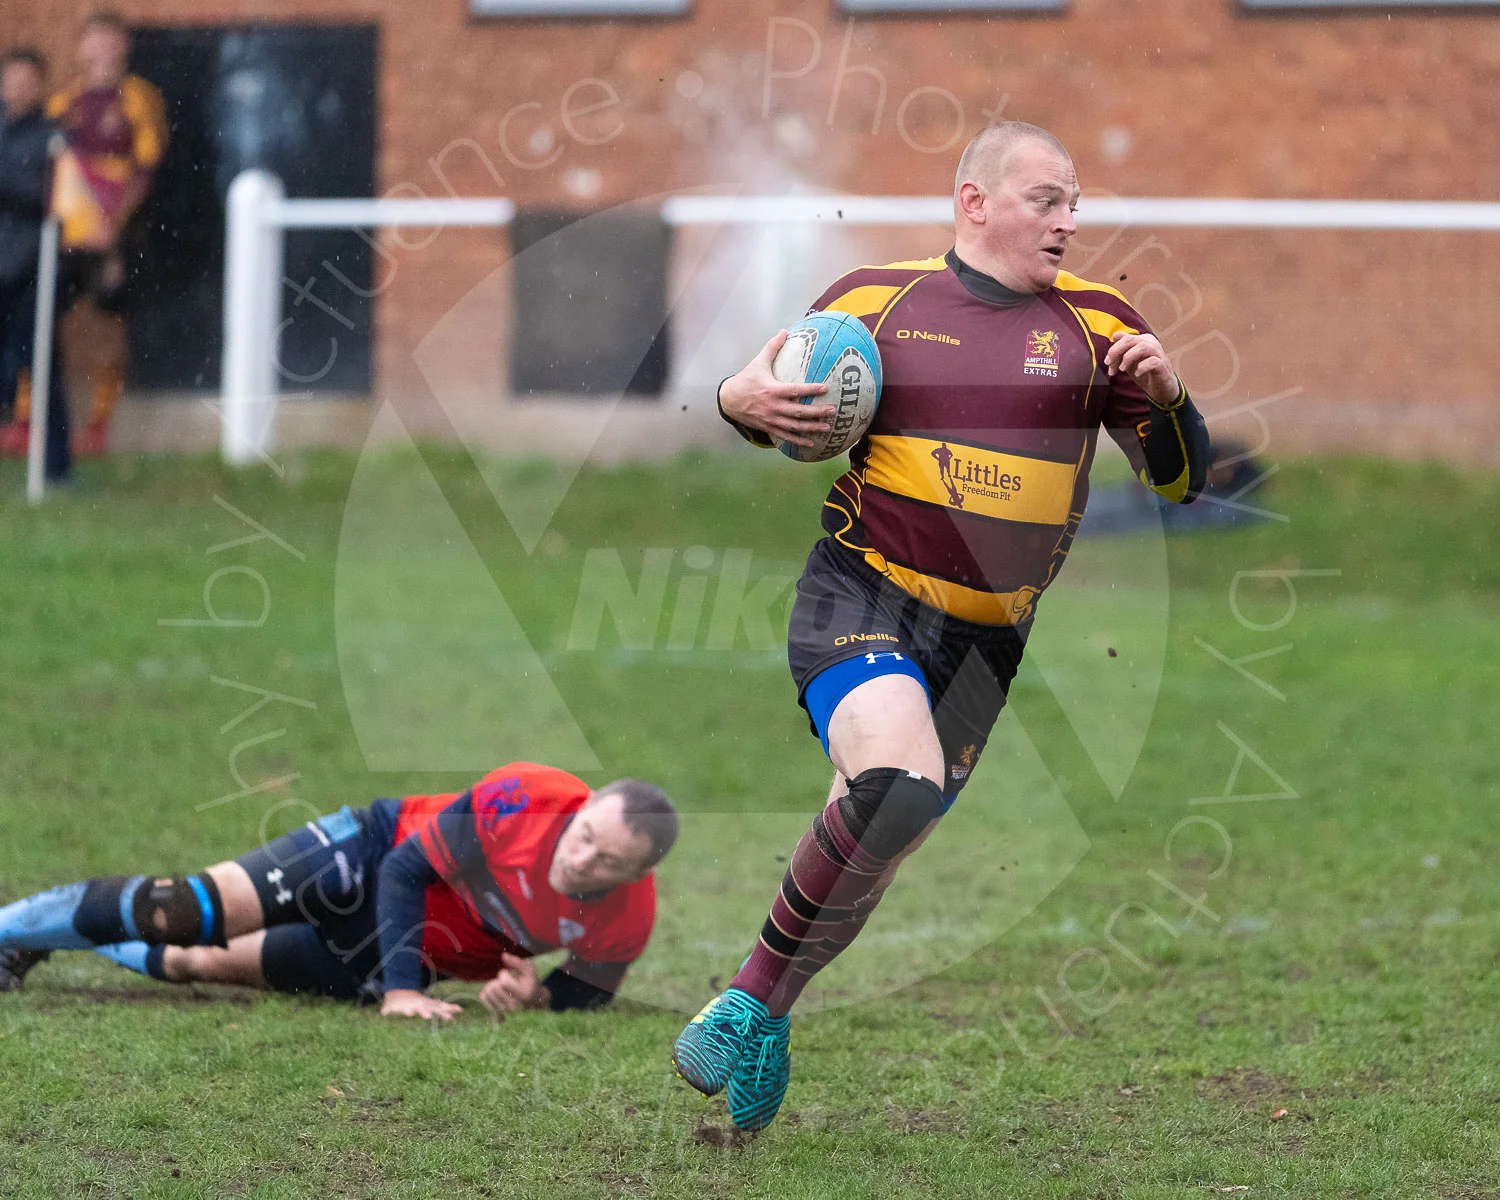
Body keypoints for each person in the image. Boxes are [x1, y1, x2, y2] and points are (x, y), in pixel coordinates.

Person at [672, 121, 1212, 1131]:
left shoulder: (1101, 328)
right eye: (1046, 198)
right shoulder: (873, 303)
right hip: (864, 592)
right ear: (975, 202)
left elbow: (1181, 483)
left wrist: (1173, 398)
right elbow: (765, 400)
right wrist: (733, 396)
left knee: (883, 831)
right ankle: (747, 996)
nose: (1069, 220)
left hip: (988, 645)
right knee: (897, 783)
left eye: (1075, 201)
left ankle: (771, 1017)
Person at [0, 763, 679, 1020]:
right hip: (367, 854)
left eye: (606, 862)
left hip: (388, 954)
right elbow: (406, 872)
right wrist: (405, 993)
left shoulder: (629, 918)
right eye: (586, 834)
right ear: (584, 806)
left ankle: (55, 942)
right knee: (187, 913)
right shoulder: (527, 798)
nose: (580, 860)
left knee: (192, 963)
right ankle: (10, 929)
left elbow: (587, 994)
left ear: (634, 876)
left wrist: (536, 996)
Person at [44, 10, 166, 456]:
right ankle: (26, 419)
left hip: (117, 235)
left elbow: (146, 168)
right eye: (94, 39)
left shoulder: (138, 98)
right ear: (82, 46)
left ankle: (99, 425)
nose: (101, 48)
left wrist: (115, 222)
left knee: (108, 322)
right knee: (42, 316)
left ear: (124, 46)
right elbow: (52, 172)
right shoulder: (64, 103)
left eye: (110, 40)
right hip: (69, 235)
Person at [0, 47, 69, 479]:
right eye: (12, 80)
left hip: (32, 271)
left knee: (41, 365)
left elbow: (51, 198)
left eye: (28, 81)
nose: (19, 89)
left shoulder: (54, 138)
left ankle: (55, 468)